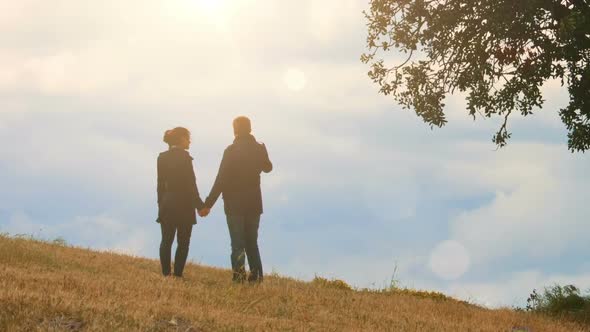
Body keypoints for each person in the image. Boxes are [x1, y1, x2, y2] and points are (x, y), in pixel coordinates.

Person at [200, 116, 272, 283]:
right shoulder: (258, 148)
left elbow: (221, 179)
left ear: (236, 129)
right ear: (250, 128)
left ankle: (239, 278)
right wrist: (264, 152)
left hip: (234, 204)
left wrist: (208, 204)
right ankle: (256, 278)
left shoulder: (231, 151)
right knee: (252, 243)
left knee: (238, 243)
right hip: (254, 204)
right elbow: (268, 168)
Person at [156, 127, 209, 277]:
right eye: (187, 137)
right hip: (184, 204)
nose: (189, 141)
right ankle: (178, 274)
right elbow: (191, 185)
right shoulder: (185, 158)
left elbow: (160, 185)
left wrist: (161, 205)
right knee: (183, 241)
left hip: (167, 202)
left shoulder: (161, 157)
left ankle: (166, 273)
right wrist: (200, 205)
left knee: (166, 240)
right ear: (181, 139)